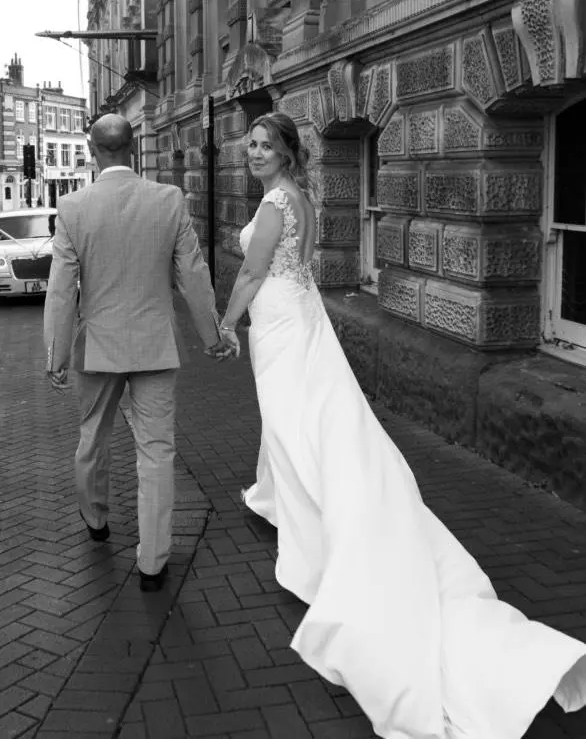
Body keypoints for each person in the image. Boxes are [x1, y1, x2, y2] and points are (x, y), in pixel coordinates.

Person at [221, 111, 586, 739]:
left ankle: (316, 538)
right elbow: (295, 263)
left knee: (293, 428)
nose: (254, 152)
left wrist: (227, 323)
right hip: (300, 318)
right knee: (309, 423)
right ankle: (282, 498)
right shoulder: (301, 198)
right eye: (249, 144)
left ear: (285, 151)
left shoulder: (278, 201)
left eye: (264, 144)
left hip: (282, 324)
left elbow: (255, 273)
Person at [44, 113, 238, 593]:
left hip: (98, 347)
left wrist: (57, 354)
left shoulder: (72, 207)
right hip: (154, 344)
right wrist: (212, 335)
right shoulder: (168, 200)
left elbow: (62, 290)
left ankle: (96, 519)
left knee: (92, 438)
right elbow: (193, 276)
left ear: (92, 151)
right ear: (132, 149)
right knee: (157, 452)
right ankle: (152, 561)